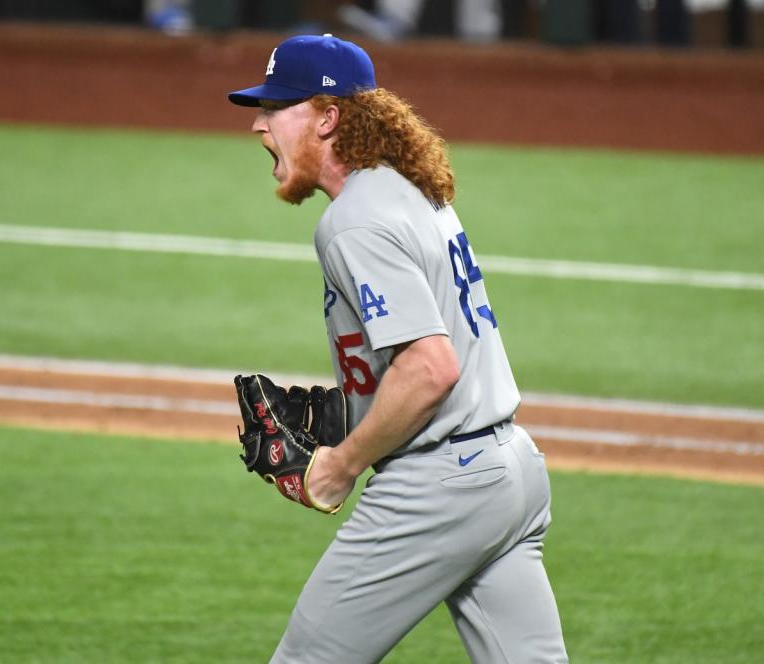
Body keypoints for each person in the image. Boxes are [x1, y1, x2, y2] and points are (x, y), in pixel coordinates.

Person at [228, 34, 568, 663]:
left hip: (440, 485)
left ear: (327, 117)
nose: (259, 124)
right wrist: (361, 407)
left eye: (276, 108)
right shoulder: (411, 192)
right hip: (511, 471)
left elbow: (430, 367)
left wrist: (341, 463)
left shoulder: (353, 219)